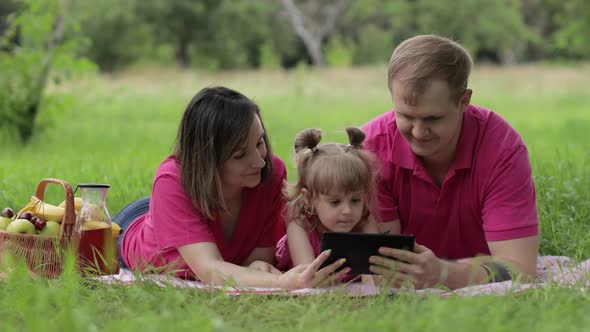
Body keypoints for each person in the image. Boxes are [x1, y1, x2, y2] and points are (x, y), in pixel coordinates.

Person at [115, 86, 348, 289]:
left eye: (259, 143)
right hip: (132, 228)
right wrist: (284, 282)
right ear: (207, 160)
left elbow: (256, 260)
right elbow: (210, 270)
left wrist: (257, 269)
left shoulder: (271, 172)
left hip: (174, 212)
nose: (259, 161)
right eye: (239, 155)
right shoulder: (173, 180)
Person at [362, 35, 539, 289]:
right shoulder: (369, 151)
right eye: (406, 116)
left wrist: (444, 274)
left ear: (464, 101)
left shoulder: (502, 149)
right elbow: (381, 264)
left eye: (433, 118)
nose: (419, 132)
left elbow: (521, 268)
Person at [275, 127, 379, 273]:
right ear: (309, 198)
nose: (347, 211)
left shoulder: (364, 220)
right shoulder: (299, 222)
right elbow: (308, 274)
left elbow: (374, 272)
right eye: (335, 202)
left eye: (355, 200)